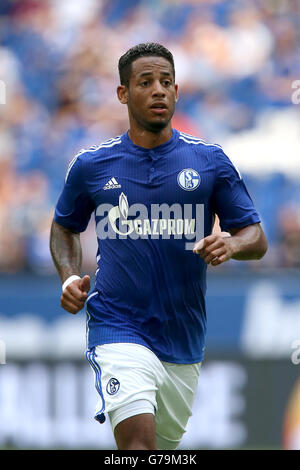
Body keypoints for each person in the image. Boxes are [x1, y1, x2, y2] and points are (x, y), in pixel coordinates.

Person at [50, 42, 267, 450]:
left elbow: (256, 236)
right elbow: (64, 226)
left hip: (182, 338)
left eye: (166, 82)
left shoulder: (209, 161)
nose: (159, 91)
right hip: (116, 324)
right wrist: (67, 277)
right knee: (138, 448)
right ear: (122, 93)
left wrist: (232, 245)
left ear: (177, 90)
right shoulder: (91, 165)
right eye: (146, 82)